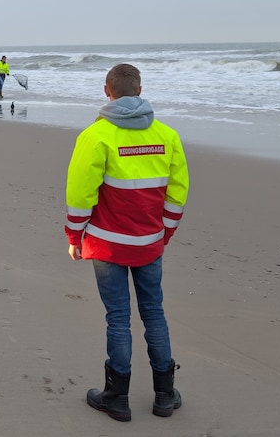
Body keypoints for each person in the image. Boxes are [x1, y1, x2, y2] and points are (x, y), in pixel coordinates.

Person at [63, 63, 190, 422]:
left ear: (108, 91)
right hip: (150, 243)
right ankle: (164, 395)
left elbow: (79, 194)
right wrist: (165, 232)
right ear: (139, 89)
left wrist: (75, 236)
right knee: (154, 313)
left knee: (118, 317)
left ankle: (116, 397)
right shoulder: (167, 135)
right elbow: (177, 193)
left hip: (107, 245)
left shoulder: (96, 136)